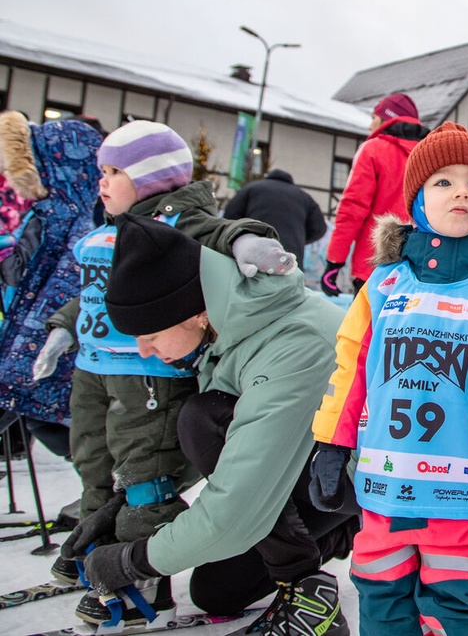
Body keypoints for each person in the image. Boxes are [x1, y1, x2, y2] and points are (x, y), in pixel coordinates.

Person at [32, 120, 294, 625]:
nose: (102, 181)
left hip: (150, 373)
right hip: (93, 370)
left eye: (114, 171)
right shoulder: (108, 231)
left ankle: (141, 581)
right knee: (93, 462)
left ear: (149, 179)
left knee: (144, 474)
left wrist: (247, 243)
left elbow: (222, 231)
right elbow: (92, 295)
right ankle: (97, 549)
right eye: (100, 171)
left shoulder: (175, 222)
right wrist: (63, 328)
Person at [308, 122, 468, 636]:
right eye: (443, 182)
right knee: (380, 600)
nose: (461, 192)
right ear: (416, 199)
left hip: (467, 497)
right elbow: (350, 367)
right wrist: (331, 441)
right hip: (385, 490)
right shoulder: (384, 283)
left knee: (462, 605)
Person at [65, 212, 358, 636]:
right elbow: (224, 457)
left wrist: (132, 559)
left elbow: (236, 504)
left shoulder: (292, 344)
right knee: (217, 591)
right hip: (305, 464)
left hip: (356, 479)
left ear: (193, 314)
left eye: (150, 335)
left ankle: (308, 583)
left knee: (202, 417)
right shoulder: (230, 329)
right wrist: (128, 503)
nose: (145, 351)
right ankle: (338, 538)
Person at [0, 110, 101, 460]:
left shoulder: (64, 226)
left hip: (32, 351)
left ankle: (108, 490)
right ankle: (104, 489)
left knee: (46, 419)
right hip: (38, 351)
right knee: (50, 424)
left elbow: (37, 285)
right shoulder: (67, 220)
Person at [322, 93, 429, 296]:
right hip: (422, 268)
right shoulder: (430, 154)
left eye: (374, 118)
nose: (370, 126)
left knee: (366, 328)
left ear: (386, 118)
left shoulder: (373, 150)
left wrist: (334, 262)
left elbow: (352, 208)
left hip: (374, 267)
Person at [223, 168, 328, 270]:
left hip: (255, 254)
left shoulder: (250, 189)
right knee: (288, 285)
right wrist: (299, 238)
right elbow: (319, 228)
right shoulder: (305, 198)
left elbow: (229, 218)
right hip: (290, 258)